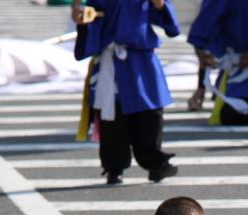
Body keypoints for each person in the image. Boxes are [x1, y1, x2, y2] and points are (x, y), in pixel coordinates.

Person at [73, 0, 179, 185]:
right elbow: (89, 17)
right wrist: (83, 20)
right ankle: (114, 166)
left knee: (150, 114)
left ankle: (155, 163)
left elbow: (170, 26)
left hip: (142, 61)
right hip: (112, 60)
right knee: (113, 116)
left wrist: (160, 5)